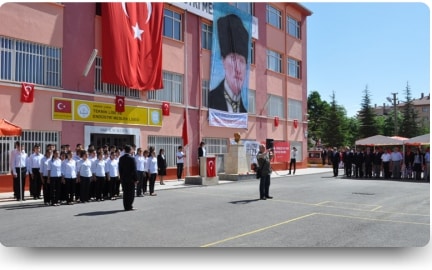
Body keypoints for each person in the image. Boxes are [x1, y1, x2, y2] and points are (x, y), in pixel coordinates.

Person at [208, 14, 249, 113]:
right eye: (234, 59)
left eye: (242, 61)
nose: (238, 69)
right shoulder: (211, 99)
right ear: (223, 61)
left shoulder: (244, 111)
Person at [119, 145, 138, 211]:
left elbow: (120, 169)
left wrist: (121, 178)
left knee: (125, 193)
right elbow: (134, 170)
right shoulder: (132, 158)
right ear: (130, 150)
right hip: (131, 179)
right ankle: (129, 206)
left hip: (124, 179)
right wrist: (136, 179)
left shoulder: (121, 158)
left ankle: (126, 206)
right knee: (131, 193)